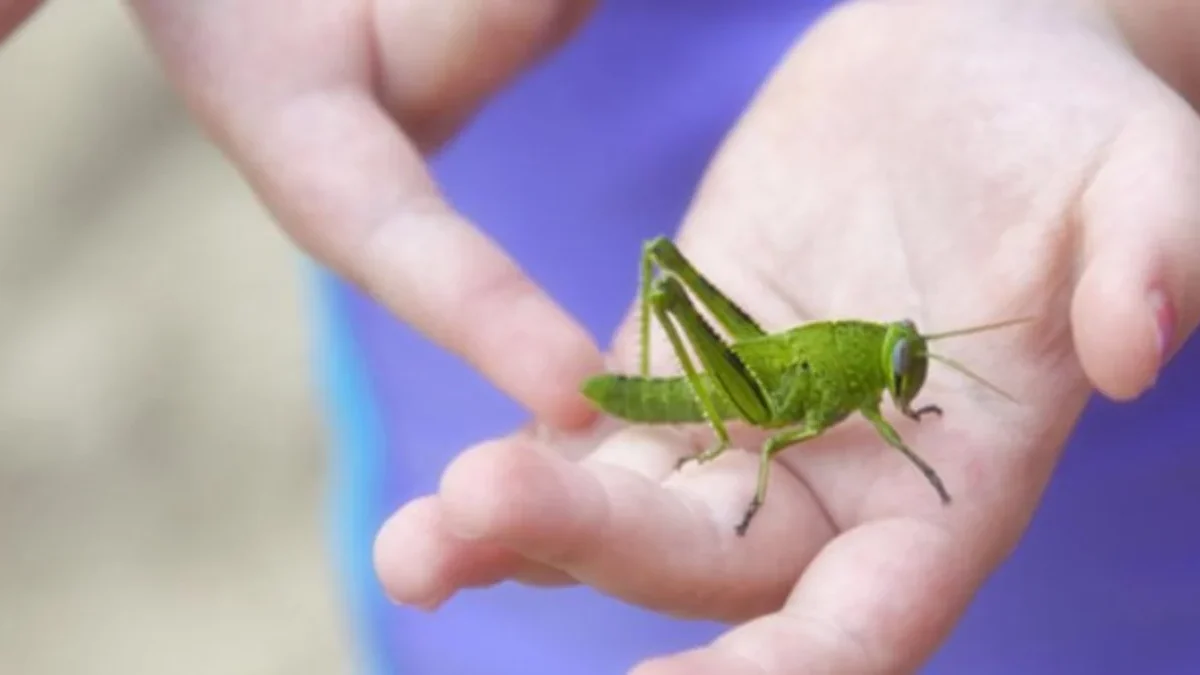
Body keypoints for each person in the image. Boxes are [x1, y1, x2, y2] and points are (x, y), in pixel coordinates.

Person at [6, 0, 1200, 673]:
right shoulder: (841, 382)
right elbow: (791, 426)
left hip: (1121, 564)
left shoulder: (882, 366)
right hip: (546, 182)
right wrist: (752, 459)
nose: (906, 372)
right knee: (533, 579)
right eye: (901, 364)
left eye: (904, 366)